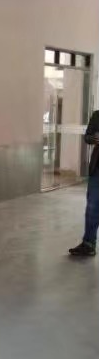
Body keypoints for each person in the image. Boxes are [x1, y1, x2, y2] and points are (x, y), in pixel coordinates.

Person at [69, 110, 99, 257]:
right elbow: (87, 137)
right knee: (92, 207)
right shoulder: (97, 115)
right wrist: (95, 138)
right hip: (98, 170)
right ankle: (88, 244)